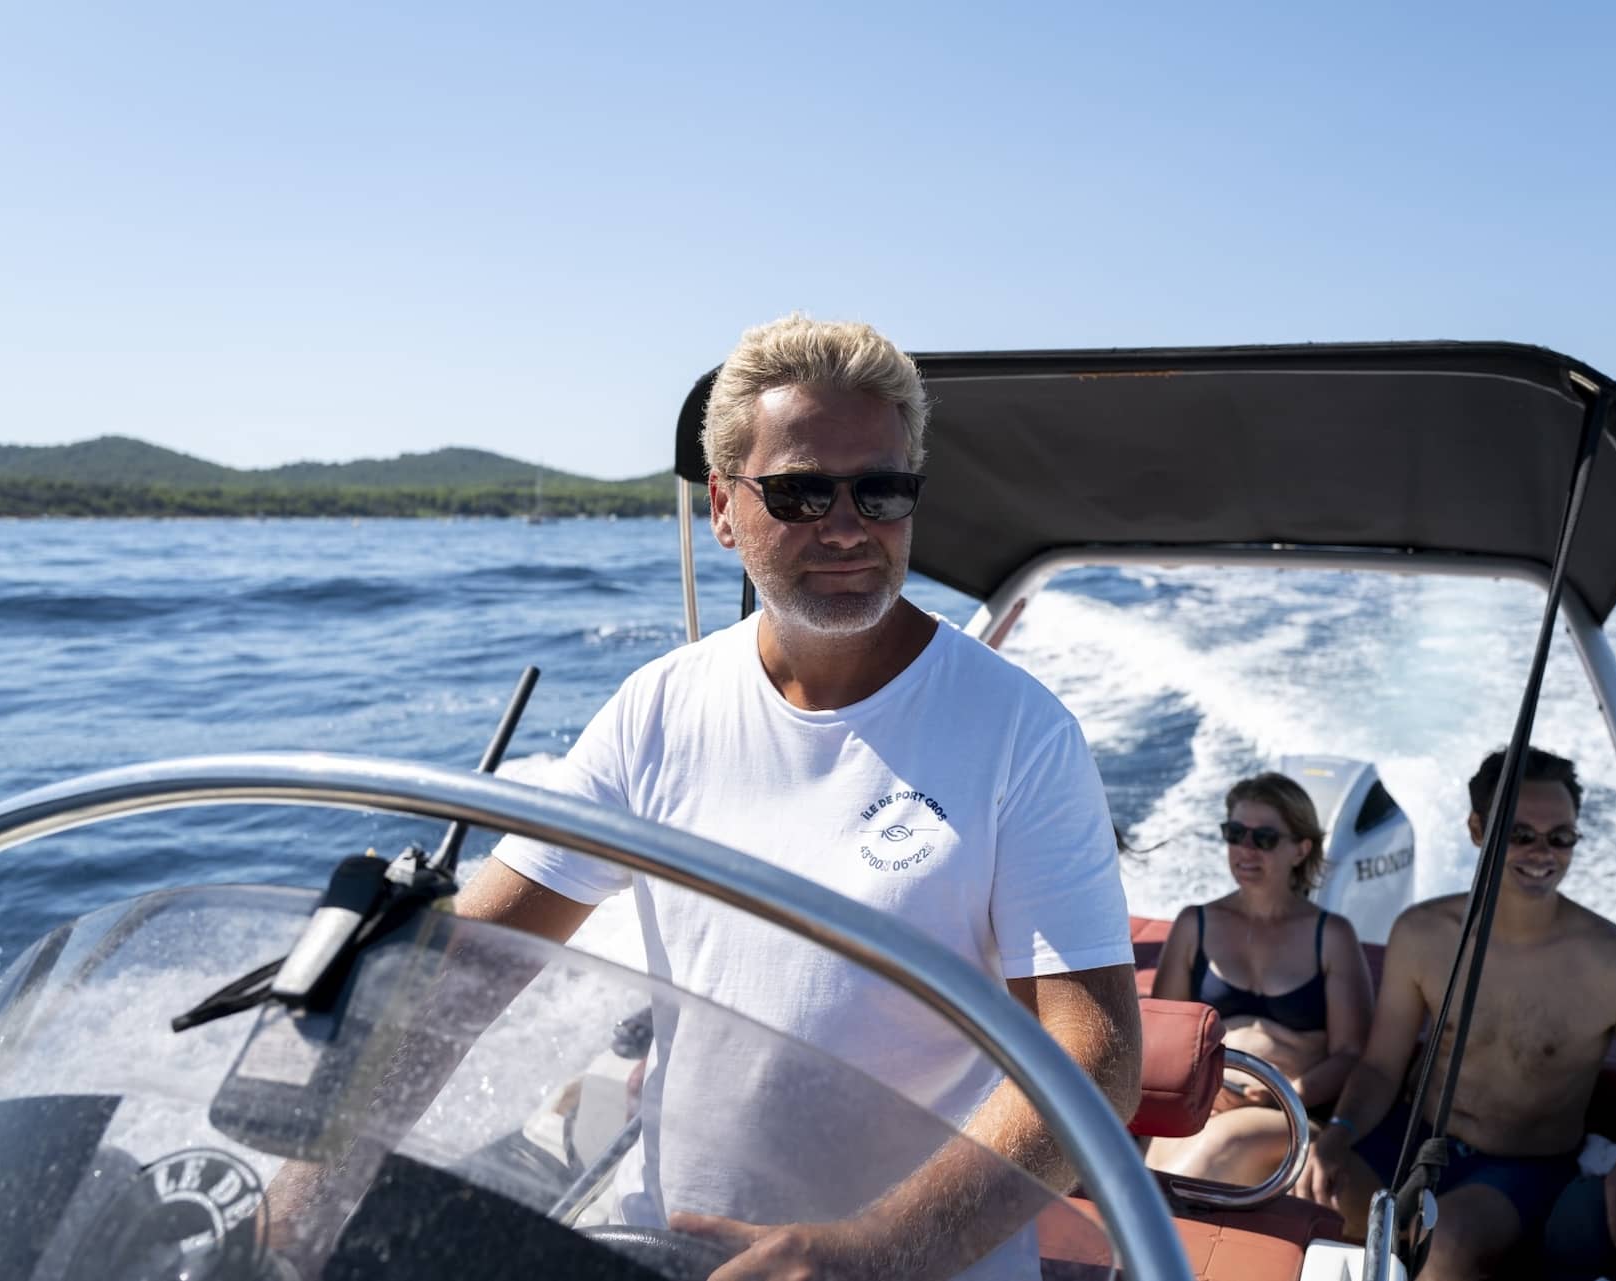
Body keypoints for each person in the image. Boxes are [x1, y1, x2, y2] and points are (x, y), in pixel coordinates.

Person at [458, 314, 1142, 1280]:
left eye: (881, 489)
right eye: (800, 490)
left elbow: (1098, 1054)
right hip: (671, 1247)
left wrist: (877, 1250)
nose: (848, 523)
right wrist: (309, 1180)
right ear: (724, 511)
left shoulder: (1020, 735)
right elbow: (474, 957)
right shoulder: (656, 707)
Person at [1295, 747, 1616, 1280]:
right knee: (1272, 1159)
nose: (1542, 853)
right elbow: (1380, 1068)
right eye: (1519, 834)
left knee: (1441, 1244)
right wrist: (1338, 1133)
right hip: (1408, 1140)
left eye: (1560, 837)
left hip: (1522, 1173)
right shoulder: (1421, 934)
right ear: (1476, 828)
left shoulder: (1615, 965)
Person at [1144, 772, 1373, 1185]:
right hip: (1202, 1103)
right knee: (1151, 1172)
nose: (1245, 849)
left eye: (1264, 838)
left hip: (1287, 1111)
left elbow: (1351, 1053)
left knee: (1215, 1151)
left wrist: (1286, 1091)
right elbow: (1165, 1039)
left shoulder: (1332, 936)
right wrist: (1203, 1089)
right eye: (1235, 834)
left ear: (1301, 849)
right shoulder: (1193, 925)